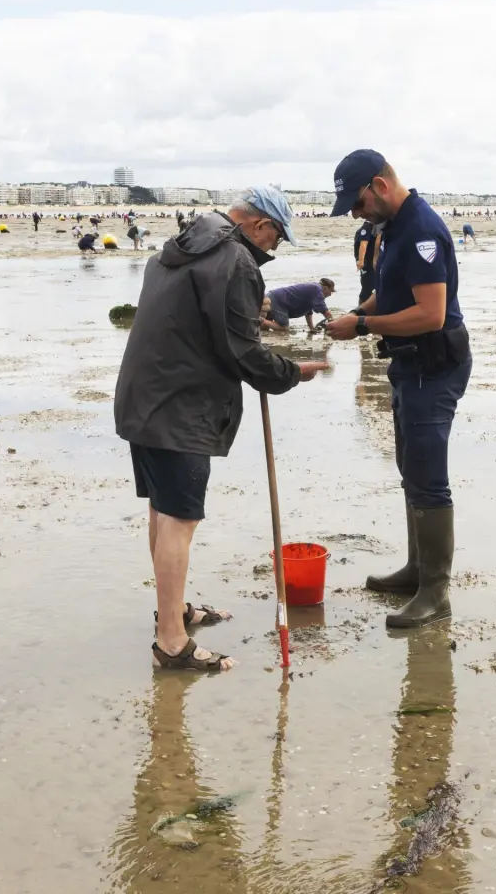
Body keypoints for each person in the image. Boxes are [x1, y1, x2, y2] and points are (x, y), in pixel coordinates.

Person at [114, 186, 328, 673]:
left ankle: (174, 612)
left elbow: (202, 323)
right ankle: (171, 642)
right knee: (179, 519)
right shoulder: (235, 261)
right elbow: (240, 351)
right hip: (179, 407)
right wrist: (290, 373)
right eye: (275, 239)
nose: (271, 251)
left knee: (163, 511)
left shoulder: (178, 249)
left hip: (143, 397)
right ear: (258, 225)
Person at [327, 149, 472, 628]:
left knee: (429, 475)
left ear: (380, 186)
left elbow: (430, 314)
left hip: (435, 365)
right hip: (409, 365)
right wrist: (358, 310)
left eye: (357, 201)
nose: (354, 212)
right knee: (409, 466)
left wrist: (364, 325)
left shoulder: (422, 230)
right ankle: (416, 570)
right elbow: (390, 292)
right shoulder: (391, 227)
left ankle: (436, 592)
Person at [261, 279, 336, 332]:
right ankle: (260, 320)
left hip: (273, 297)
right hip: (278, 300)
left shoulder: (313, 290)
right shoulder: (317, 289)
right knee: (284, 328)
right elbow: (323, 309)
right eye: (331, 291)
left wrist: (311, 328)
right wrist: (332, 321)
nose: (330, 294)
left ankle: (261, 322)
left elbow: (308, 313)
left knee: (265, 329)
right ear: (326, 288)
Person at [354, 220, 379, 302]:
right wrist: (361, 261)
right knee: (367, 289)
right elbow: (363, 245)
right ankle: (360, 311)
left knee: (372, 288)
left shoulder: (374, 228)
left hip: (371, 264)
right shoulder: (367, 228)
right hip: (367, 264)